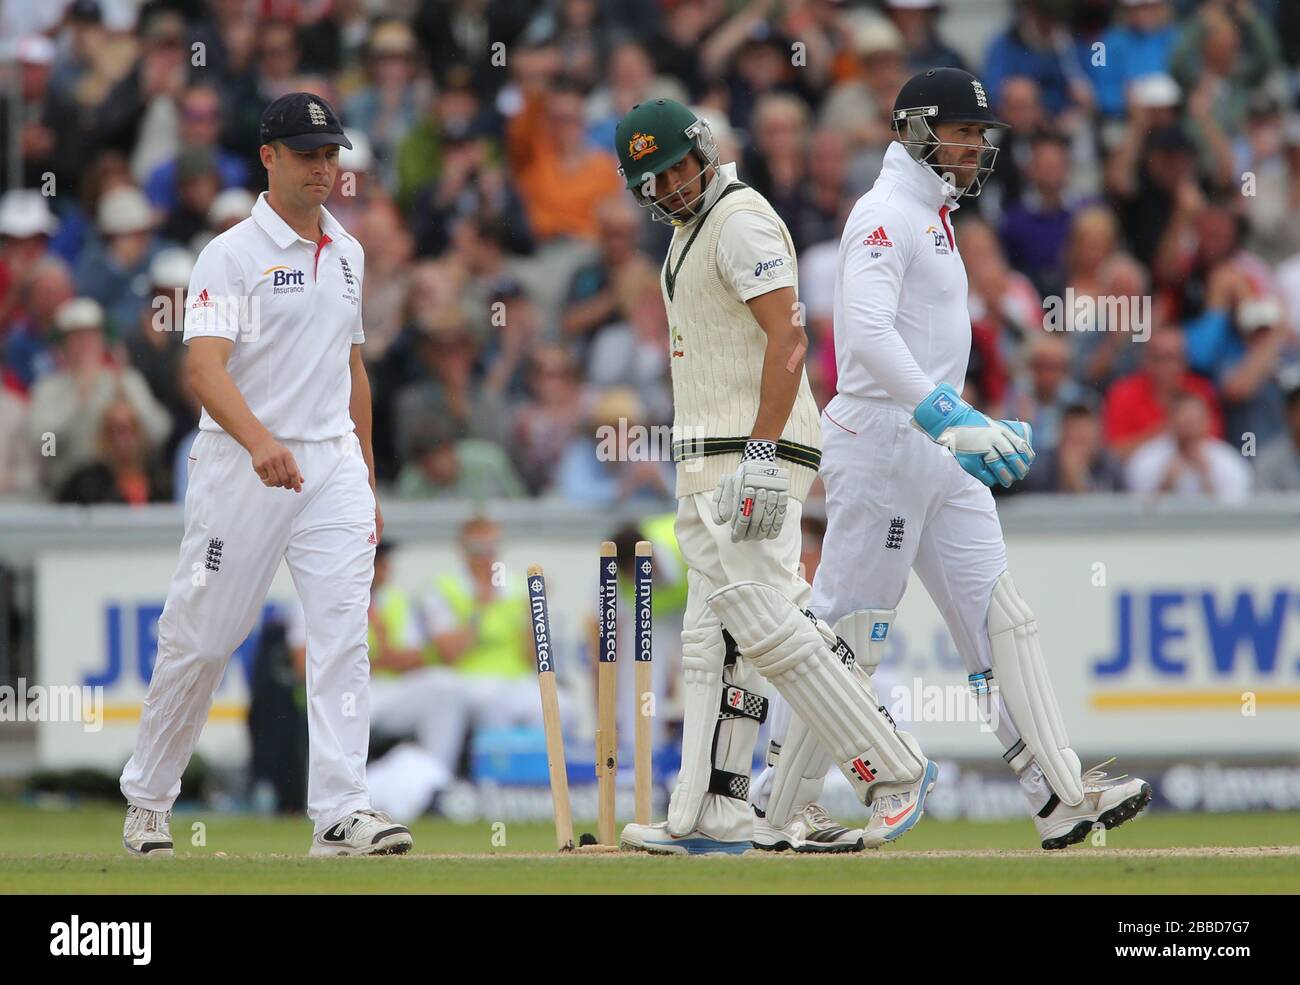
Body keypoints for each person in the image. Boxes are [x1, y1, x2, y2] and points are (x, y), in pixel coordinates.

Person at [756, 68, 1150, 853]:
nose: (975, 147)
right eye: (963, 132)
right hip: (884, 444)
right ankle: (778, 806)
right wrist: (947, 412)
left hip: (936, 448)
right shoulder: (884, 213)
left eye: (980, 136)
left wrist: (959, 420)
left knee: (1000, 616)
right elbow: (864, 337)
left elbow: (923, 345)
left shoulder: (930, 212)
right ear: (915, 129)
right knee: (847, 632)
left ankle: (1058, 791)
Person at [119, 93, 412, 858]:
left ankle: (343, 812)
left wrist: (367, 480)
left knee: (343, 633)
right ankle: (149, 799)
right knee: (205, 638)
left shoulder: (346, 251)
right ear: (268, 158)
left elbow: (353, 370)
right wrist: (258, 442)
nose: (323, 168)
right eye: (307, 154)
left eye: (330, 154)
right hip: (241, 463)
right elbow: (203, 368)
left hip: (331, 464)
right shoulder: (230, 254)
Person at [611, 98, 906, 855]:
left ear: (704, 150)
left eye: (677, 165)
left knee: (770, 620)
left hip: (752, 448)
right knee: (716, 640)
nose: (671, 185)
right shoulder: (687, 232)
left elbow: (790, 336)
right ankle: (713, 809)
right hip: (707, 453)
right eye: (653, 177)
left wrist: (764, 451)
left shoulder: (740, 217)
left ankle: (891, 769)